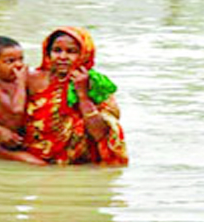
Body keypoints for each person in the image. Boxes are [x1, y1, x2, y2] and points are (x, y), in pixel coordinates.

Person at [23, 27, 127, 166]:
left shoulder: (97, 85)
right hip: (37, 161)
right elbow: (7, 113)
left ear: (84, 54)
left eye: (71, 51)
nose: (62, 57)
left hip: (80, 163)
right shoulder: (31, 79)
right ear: (48, 52)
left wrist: (82, 95)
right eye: (57, 50)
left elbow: (101, 135)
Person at [0, 36, 47, 165]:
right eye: (10, 61)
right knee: (39, 165)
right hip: (2, 146)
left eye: (21, 59)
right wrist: (21, 83)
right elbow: (16, 110)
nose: (18, 65)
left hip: (21, 140)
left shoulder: (23, 80)